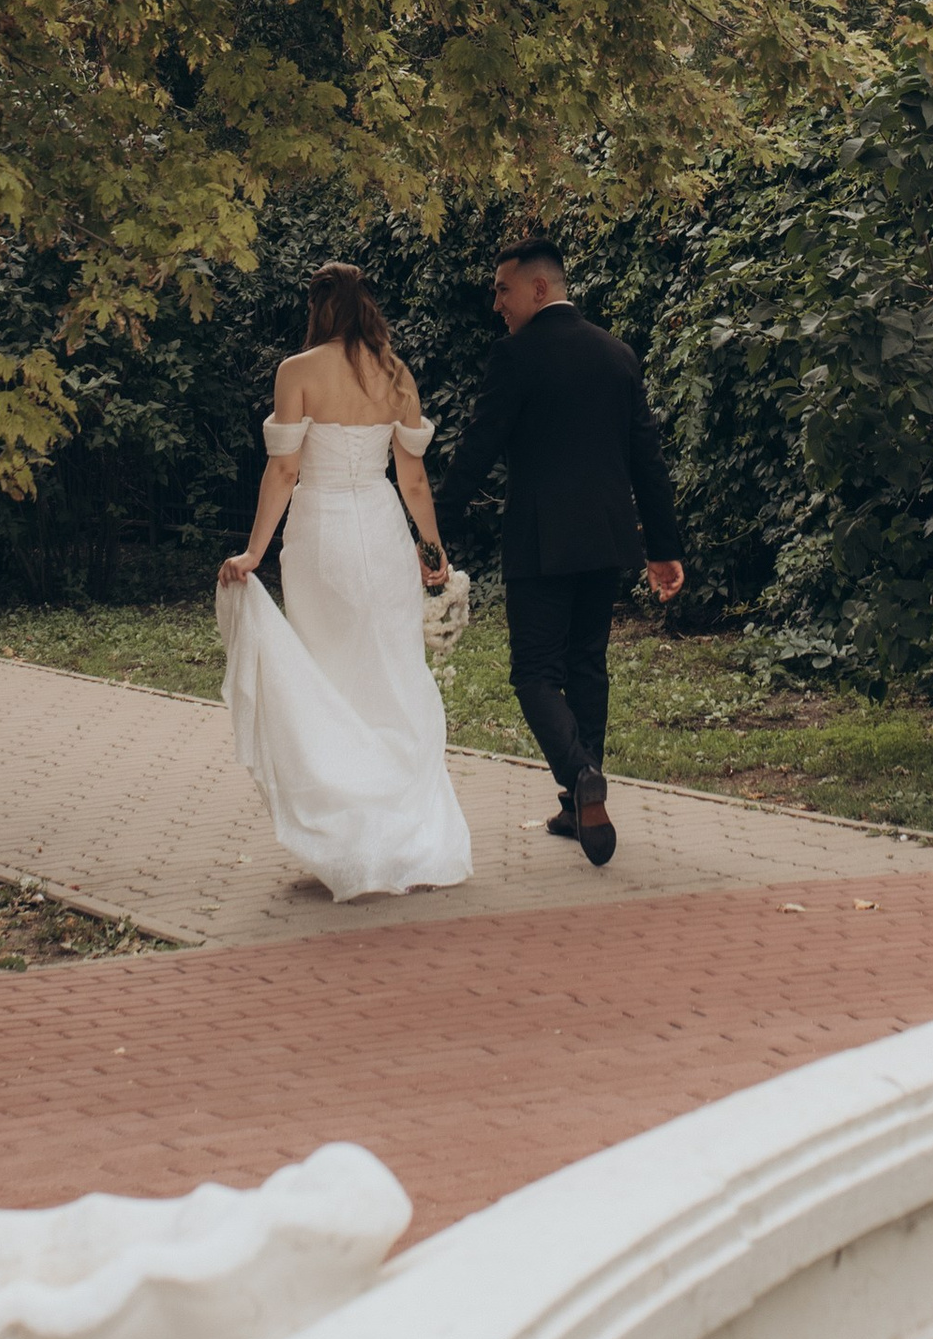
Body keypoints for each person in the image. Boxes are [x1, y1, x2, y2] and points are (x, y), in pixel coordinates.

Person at [215, 264, 472, 903]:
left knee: (332, 668)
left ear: (317, 307)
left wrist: (253, 552)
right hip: (382, 529)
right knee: (390, 665)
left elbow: (282, 472)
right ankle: (407, 834)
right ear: (367, 306)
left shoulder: (296, 372)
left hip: (322, 533)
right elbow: (412, 479)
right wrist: (432, 549)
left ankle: (348, 833)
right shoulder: (396, 374)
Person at [442, 235, 684, 870]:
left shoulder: (515, 358)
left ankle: (580, 777)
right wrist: (663, 547)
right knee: (587, 666)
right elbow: (646, 461)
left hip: (542, 543)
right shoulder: (618, 354)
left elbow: (478, 447)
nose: (496, 302)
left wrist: (432, 526)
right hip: (606, 541)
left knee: (533, 673)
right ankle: (581, 801)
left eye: (503, 289)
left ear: (538, 288)